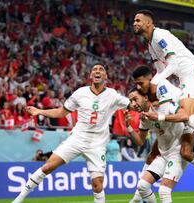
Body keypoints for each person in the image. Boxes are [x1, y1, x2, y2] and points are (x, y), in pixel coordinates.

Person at [11, 63, 132, 203]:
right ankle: (19, 199)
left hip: (97, 144)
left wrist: (143, 104)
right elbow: (62, 112)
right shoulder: (80, 93)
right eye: (94, 69)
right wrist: (39, 111)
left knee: (98, 183)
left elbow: (132, 104)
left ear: (105, 76)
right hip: (77, 139)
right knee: (48, 166)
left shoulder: (112, 95)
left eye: (101, 69)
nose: (97, 71)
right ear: (91, 75)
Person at [133, 10, 194, 173]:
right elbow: (160, 69)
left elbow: (174, 65)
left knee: (186, 114)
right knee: (182, 111)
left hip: (192, 74)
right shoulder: (150, 44)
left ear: (148, 23)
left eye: (138, 20)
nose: (134, 23)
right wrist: (156, 85)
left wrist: (156, 82)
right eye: (134, 21)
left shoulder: (159, 36)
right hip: (184, 79)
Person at [132, 66, 194, 173]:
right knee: (154, 152)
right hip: (173, 118)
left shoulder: (161, 85)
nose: (138, 87)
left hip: (183, 103)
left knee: (189, 119)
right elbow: (155, 105)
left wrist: (151, 113)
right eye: (136, 84)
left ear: (151, 79)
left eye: (140, 83)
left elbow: (165, 111)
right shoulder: (146, 91)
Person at [126, 88, 194, 202]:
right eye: (131, 101)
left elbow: (184, 116)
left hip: (179, 145)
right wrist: (128, 127)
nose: (133, 104)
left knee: (164, 191)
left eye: (135, 99)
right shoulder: (144, 118)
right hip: (165, 150)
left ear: (145, 97)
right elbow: (140, 141)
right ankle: (136, 199)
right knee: (143, 185)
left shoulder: (163, 104)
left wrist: (159, 116)